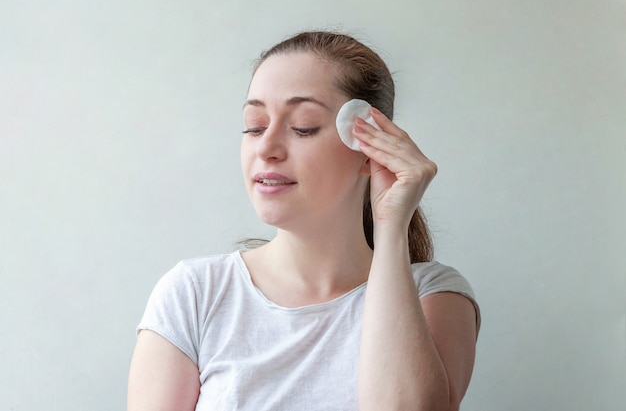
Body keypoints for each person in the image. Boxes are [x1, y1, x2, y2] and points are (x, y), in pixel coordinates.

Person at [127, 31, 480, 411]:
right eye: (255, 126)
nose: (266, 148)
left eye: (303, 126)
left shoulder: (433, 294)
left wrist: (393, 224)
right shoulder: (194, 294)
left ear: (369, 149)